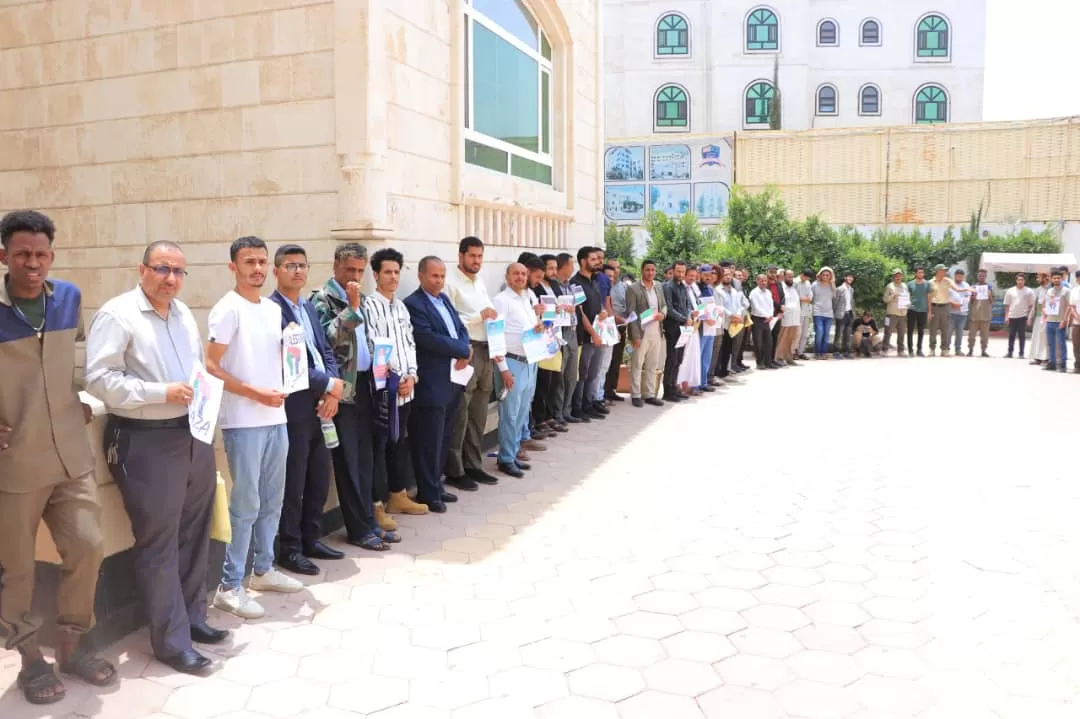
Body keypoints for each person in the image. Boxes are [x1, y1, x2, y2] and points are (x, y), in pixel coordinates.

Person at [86, 240, 226, 676]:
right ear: (142, 269)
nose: (171, 279)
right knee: (159, 541)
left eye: (179, 272)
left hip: (192, 434)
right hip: (144, 440)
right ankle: (170, 642)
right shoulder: (117, 314)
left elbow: (195, 366)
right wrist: (158, 393)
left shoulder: (182, 313)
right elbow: (100, 380)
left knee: (194, 530)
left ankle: (193, 618)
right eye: (163, 269)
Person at [0, 210, 117, 705]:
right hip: (15, 462)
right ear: (3, 254)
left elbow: (82, 359)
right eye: (22, 254)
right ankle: (29, 657)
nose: (33, 264)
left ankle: (71, 643)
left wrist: (84, 401)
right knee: (18, 568)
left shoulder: (68, 298)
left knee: (89, 546)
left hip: (72, 454)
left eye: (41, 254)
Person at [207, 236, 303, 620]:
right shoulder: (226, 310)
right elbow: (211, 366)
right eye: (249, 262)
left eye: (263, 261)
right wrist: (254, 393)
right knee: (245, 505)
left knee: (272, 500)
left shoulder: (270, 309)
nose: (258, 268)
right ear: (233, 267)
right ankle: (229, 587)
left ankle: (262, 571)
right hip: (243, 422)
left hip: (275, 418)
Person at [268, 244, 346, 576]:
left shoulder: (308, 307)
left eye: (302, 265)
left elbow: (325, 349)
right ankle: (290, 547)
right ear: (276, 272)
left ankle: (312, 537)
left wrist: (333, 386)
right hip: (295, 405)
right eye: (289, 266)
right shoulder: (271, 310)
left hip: (322, 403)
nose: (297, 271)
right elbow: (290, 363)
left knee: (318, 475)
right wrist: (328, 385)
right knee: (294, 478)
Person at [311, 243, 388, 552]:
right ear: (336, 266)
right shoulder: (322, 299)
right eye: (350, 270)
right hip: (341, 392)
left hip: (366, 386)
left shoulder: (365, 299)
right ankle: (358, 528)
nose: (355, 276)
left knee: (366, 459)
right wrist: (351, 309)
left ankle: (369, 520)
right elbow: (325, 340)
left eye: (360, 270)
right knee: (348, 463)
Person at [363, 248, 426, 526]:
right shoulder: (368, 307)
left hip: (406, 389)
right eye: (387, 272)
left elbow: (410, 344)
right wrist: (396, 378)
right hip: (384, 391)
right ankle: (376, 505)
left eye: (396, 272)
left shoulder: (401, 307)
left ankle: (398, 495)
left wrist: (412, 376)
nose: (392, 277)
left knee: (399, 444)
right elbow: (372, 346)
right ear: (375, 275)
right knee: (379, 448)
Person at [404, 257, 471, 510]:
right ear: (421, 276)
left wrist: (464, 346)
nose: (439, 281)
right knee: (428, 439)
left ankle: (437, 485)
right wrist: (462, 348)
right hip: (431, 382)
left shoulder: (444, 299)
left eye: (442, 276)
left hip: (452, 379)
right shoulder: (414, 304)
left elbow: (459, 327)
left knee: (444, 436)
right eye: (434, 276)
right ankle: (428, 493)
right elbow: (426, 338)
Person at [445, 237, 501, 487]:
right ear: (461, 256)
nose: (476, 261)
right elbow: (449, 320)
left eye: (480, 256)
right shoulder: (450, 283)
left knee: (478, 413)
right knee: (461, 412)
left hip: (487, 349)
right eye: (472, 256)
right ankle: (455, 471)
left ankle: (473, 464)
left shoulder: (480, 282)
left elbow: (489, 314)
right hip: (466, 351)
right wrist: (479, 317)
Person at [492, 263, 542, 478]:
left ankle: (512, 454)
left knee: (522, 413)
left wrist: (538, 325)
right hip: (512, 363)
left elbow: (526, 330)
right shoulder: (501, 301)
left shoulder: (527, 297)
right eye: (516, 274)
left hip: (530, 362)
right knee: (509, 415)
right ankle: (505, 459)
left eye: (523, 273)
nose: (520, 277)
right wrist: (503, 370)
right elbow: (496, 337)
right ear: (508, 276)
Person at [570, 246, 609, 419]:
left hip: (598, 334)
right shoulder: (576, 282)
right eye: (593, 259)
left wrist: (603, 312)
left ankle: (589, 403)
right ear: (583, 261)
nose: (597, 262)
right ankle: (578, 407)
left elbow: (598, 304)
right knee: (583, 373)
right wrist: (593, 333)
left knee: (594, 372)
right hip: (585, 336)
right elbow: (580, 312)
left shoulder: (595, 280)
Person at [625, 259, 667, 407]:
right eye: (647, 270)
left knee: (652, 364)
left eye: (653, 270)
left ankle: (649, 394)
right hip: (641, 333)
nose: (650, 273)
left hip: (656, 331)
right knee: (637, 364)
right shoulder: (634, 288)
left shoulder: (659, 286)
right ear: (642, 270)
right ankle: (636, 394)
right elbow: (631, 313)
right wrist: (635, 336)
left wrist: (663, 313)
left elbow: (664, 305)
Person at [553, 252, 581, 424]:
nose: (573, 268)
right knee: (560, 375)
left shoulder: (571, 286)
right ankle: (557, 413)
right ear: (562, 266)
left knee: (572, 374)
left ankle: (567, 409)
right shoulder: (553, 287)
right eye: (571, 265)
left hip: (573, 331)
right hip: (560, 332)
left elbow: (578, 307)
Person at [662, 261, 695, 399]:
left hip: (684, 327)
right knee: (672, 359)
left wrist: (688, 317)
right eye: (678, 271)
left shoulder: (683, 286)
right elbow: (669, 309)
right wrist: (684, 318)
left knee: (679, 359)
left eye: (683, 272)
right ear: (673, 271)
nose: (681, 274)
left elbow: (688, 305)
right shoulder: (668, 287)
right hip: (673, 327)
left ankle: (674, 387)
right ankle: (667, 391)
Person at [928, 264, 969, 357]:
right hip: (935, 307)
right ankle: (932, 349)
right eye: (942, 270)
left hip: (945, 307)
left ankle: (944, 349)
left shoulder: (948, 281)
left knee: (945, 330)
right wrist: (929, 312)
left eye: (945, 270)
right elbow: (928, 298)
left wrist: (967, 289)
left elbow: (957, 289)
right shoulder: (930, 282)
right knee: (933, 330)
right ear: (937, 271)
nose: (944, 272)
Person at [604, 259, 628, 402]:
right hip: (608, 327)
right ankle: (604, 391)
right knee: (606, 361)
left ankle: (612, 389)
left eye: (618, 268)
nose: (616, 271)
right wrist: (615, 318)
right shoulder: (604, 286)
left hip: (621, 326)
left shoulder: (623, 286)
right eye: (613, 268)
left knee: (616, 360)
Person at [749, 274, 779, 369]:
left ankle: (768, 362)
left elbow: (771, 305)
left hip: (768, 319)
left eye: (765, 280)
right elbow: (756, 307)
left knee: (768, 342)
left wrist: (770, 315)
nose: (763, 282)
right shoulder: (754, 293)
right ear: (757, 281)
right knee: (758, 342)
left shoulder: (768, 292)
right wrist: (766, 315)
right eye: (761, 280)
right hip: (757, 319)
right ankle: (759, 363)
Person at [1042, 269, 1069, 372]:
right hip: (1050, 320)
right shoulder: (1049, 291)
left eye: (1058, 278)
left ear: (1061, 278)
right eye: (1054, 278)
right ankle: (1052, 363)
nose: (1056, 279)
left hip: (1060, 320)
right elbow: (1045, 303)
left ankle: (1063, 364)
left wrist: (1065, 320)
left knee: (1061, 343)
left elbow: (1068, 306)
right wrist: (1045, 313)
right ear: (1051, 279)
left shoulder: (1066, 291)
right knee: (1050, 343)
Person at [1003, 273, 1035, 358]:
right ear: (1016, 280)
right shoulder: (1010, 290)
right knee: (1011, 335)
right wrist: (1006, 316)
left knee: (1022, 335)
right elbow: (1007, 304)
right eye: (1019, 279)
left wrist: (1029, 317)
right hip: (1012, 315)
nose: (1020, 281)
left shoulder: (1029, 291)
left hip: (1023, 316)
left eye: (1022, 280)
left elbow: (1032, 305)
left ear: (1024, 281)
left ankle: (1021, 353)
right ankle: (1010, 352)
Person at [882, 269, 909, 356]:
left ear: (902, 276)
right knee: (888, 332)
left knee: (901, 333)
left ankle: (900, 351)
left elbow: (907, 298)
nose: (898, 277)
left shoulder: (905, 286)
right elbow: (885, 299)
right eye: (896, 276)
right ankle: (884, 350)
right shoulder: (889, 286)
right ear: (893, 277)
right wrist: (893, 295)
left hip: (902, 313)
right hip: (891, 314)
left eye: (899, 275)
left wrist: (908, 304)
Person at [811, 267, 836, 359]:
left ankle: (824, 352)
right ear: (820, 275)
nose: (825, 276)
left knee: (826, 334)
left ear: (830, 276)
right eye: (824, 274)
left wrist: (833, 283)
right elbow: (811, 297)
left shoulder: (832, 285)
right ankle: (817, 352)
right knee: (819, 332)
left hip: (829, 313)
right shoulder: (815, 284)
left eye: (827, 275)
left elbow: (834, 297)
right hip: (818, 312)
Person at [967, 268, 993, 357]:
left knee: (985, 336)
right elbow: (970, 301)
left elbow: (992, 301)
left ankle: (983, 351)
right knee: (971, 335)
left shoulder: (989, 287)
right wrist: (973, 297)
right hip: (975, 315)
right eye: (980, 275)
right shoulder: (973, 287)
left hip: (985, 315)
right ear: (977, 276)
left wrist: (989, 296)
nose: (981, 277)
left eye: (983, 275)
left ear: (985, 277)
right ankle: (970, 350)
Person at [777, 269, 801, 365]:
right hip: (786, 317)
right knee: (783, 338)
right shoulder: (781, 288)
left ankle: (789, 357)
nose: (791, 278)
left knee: (792, 338)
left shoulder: (793, 288)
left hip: (795, 318)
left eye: (792, 276)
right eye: (789, 276)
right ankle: (779, 357)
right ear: (784, 277)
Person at [906, 266, 931, 356]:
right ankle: (910, 350)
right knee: (910, 330)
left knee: (921, 331)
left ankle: (919, 350)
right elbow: (907, 297)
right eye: (919, 272)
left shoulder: (927, 284)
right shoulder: (910, 284)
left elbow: (929, 298)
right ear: (915, 273)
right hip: (912, 310)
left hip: (923, 310)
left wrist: (929, 311)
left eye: (922, 272)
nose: (921, 274)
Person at [947, 269, 971, 356]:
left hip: (963, 314)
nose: (960, 278)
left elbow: (968, 297)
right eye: (958, 276)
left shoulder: (966, 285)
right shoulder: (950, 284)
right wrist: (953, 303)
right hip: (951, 312)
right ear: (955, 276)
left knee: (960, 333)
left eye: (961, 276)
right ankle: (947, 348)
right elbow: (946, 297)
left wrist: (964, 303)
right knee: (948, 332)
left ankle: (958, 349)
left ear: (963, 277)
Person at [1029, 272, 1051, 365]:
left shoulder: (1050, 289)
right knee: (1037, 337)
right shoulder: (1038, 289)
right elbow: (1035, 304)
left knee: (1044, 338)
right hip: (1038, 316)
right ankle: (1037, 357)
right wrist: (1030, 316)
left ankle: (1045, 358)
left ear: (1045, 278)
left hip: (1047, 316)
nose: (1037, 279)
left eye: (1039, 277)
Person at [833, 272, 855, 359]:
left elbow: (852, 302)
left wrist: (853, 313)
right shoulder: (839, 289)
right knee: (838, 334)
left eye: (851, 278)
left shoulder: (851, 289)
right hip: (841, 314)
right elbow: (835, 302)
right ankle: (836, 352)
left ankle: (847, 351)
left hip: (849, 313)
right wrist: (835, 314)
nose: (850, 279)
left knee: (848, 334)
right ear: (845, 278)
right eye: (849, 277)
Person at [796, 269, 814, 359]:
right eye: (805, 276)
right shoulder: (795, 282)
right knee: (797, 333)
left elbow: (810, 297)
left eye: (808, 278)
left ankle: (801, 352)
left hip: (806, 311)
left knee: (804, 333)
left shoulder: (808, 283)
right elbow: (795, 297)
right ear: (801, 274)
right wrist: (803, 298)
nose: (806, 279)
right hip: (797, 311)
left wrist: (803, 298)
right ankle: (794, 351)